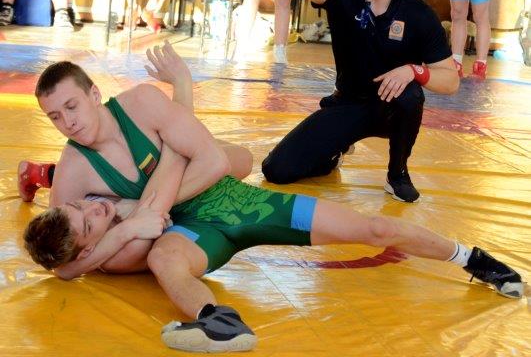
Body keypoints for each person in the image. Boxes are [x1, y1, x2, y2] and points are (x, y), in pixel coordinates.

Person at [24, 148, 524, 353]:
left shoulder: (92, 196)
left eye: (81, 208)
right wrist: (119, 234)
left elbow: (209, 156)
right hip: (202, 233)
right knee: (163, 259)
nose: (94, 209)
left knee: (373, 228)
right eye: (89, 224)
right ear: (85, 251)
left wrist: (119, 218)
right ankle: (218, 320)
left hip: (242, 203)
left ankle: (471, 258)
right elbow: (68, 270)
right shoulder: (100, 255)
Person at [261, 0, 459, 203]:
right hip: (348, 103)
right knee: (276, 169)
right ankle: (335, 151)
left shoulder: (418, 14)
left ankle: (397, 173)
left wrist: (414, 71)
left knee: (410, 94)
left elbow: (450, 81)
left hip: (391, 107)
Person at [17, 41, 253, 203]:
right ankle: (43, 175)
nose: (67, 122)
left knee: (242, 160)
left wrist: (144, 207)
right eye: (55, 117)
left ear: (95, 95)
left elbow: (215, 162)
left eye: (71, 107)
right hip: (93, 171)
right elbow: (59, 245)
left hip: (149, 145)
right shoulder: (72, 168)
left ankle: (46, 174)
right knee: (184, 151)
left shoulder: (140, 104)